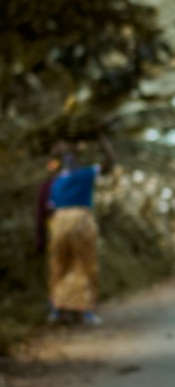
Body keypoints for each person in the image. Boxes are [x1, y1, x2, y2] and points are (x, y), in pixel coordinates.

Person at [44, 137, 115, 325]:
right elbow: (109, 162)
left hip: (61, 222)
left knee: (66, 265)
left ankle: (65, 309)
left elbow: (109, 163)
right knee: (81, 265)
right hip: (78, 221)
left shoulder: (61, 180)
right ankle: (76, 310)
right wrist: (102, 140)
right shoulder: (72, 176)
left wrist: (101, 140)